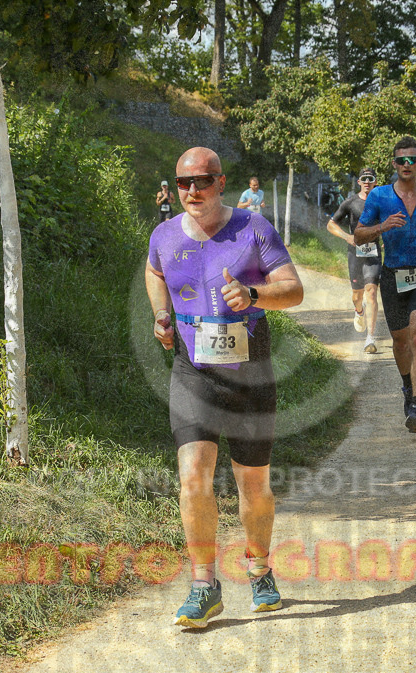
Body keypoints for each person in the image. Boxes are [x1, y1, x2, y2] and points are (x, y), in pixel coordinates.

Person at [145, 147, 304, 629]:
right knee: (193, 474)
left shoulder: (255, 229)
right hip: (192, 369)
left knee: (252, 484)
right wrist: (162, 313)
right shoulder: (164, 234)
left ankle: (259, 569)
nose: (193, 190)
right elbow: (155, 272)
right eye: (184, 182)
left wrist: (255, 294)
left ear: (221, 182)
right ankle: (203, 586)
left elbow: (294, 290)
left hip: (250, 371)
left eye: (203, 180)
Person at [354, 136, 416, 434]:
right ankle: (408, 388)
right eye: (401, 160)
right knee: (400, 341)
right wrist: (382, 227)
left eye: (412, 159)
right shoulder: (380, 197)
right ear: (394, 164)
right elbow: (359, 234)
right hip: (391, 277)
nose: (406, 165)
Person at [326, 168, 381, 354]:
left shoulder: (382, 201)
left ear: (375, 182)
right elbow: (331, 224)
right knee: (357, 296)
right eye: (364, 179)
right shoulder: (350, 202)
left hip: (373, 253)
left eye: (370, 179)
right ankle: (359, 311)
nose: (367, 182)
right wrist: (347, 237)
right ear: (359, 182)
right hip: (354, 253)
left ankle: (370, 338)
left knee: (372, 292)